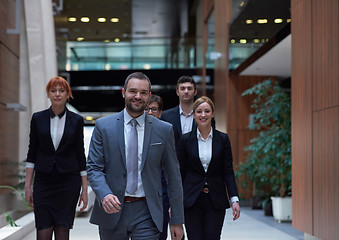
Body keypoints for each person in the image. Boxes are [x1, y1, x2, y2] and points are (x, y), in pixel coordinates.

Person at [86, 72, 184, 240]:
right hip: (112, 210)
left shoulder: (164, 129)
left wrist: (177, 219)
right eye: (133, 91)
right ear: (123, 93)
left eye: (143, 92)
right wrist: (104, 194)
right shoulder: (103, 126)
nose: (138, 96)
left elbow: (173, 176)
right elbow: (94, 167)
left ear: (149, 96)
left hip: (147, 211)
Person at [25, 76, 88, 240]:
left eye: (62, 90)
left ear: (68, 94)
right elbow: (32, 152)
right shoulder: (37, 118)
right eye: (53, 90)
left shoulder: (77, 121)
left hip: (68, 182)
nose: (57, 94)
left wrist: (85, 190)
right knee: (43, 231)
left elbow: (80, 155)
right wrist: (27, 186)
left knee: (62, 230)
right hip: (43, 181)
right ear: (48, 94)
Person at [177, 96, 240, 240]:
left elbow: (228, 171)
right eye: (199, 111)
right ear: (194, 115)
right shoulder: (185, 140)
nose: (203, 115)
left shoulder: (223, 139)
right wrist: (174, 201)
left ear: (212, 113)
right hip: (191, 199)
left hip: (215, 199)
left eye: (207, 111)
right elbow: (180, 173)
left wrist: (234, 199)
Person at [161, 76, 197, 152]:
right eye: (183, 88)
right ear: (177, 92)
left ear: (195, 92)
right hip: (173, 161)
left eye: (189, 88)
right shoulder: (166, 116)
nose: (186, 91)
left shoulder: (202, 116)